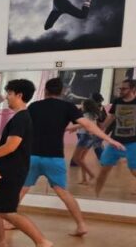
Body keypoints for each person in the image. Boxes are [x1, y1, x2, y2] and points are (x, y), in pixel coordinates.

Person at [23, 77, 123, 236]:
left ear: (45, 90)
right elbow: (88, 124)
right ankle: (81, 225)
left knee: (22, 189)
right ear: (62, 91)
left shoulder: (34, 106)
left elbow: (22, 129)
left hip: (33, 156)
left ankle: (9, 220)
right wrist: (110, 140)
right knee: (63, 192)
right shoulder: (67, 106)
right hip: (54, 157)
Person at [0, 80, 54, 247]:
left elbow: (11, 146)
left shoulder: (22, 118)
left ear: (19, 95)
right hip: (3, 168)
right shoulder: (18, 117)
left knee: (6, 211)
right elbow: (5, 143)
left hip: (12, 170)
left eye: (10, 94)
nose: (7, 98)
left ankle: (42, 241)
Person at [71, 98, 105, 184]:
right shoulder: (93, 115)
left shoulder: (87, 115)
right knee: (81, 159)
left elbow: (83, 124)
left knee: (76, 158)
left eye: (82, 104)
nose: (81, 106)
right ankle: (84, 179)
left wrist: (71, 128)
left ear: (86, 106)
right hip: (89, 137)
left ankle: (91, 175)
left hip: (85, 137)